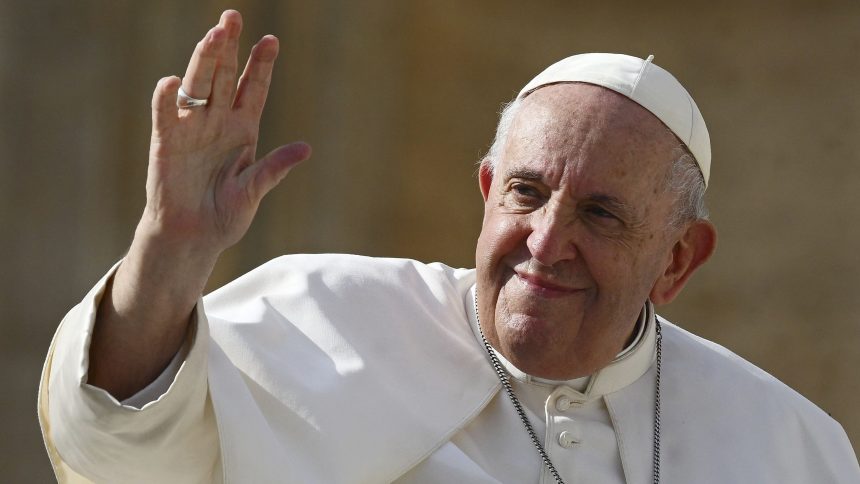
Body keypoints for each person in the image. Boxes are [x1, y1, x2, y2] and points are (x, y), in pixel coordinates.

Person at [39, 9, 859, 484]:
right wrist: (169, 251)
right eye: (527, 193)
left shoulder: (790, 448)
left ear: (678, 260)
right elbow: (112, 454)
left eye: (601, 215)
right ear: (485, 191)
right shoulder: (320, 317)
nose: (547, 241)